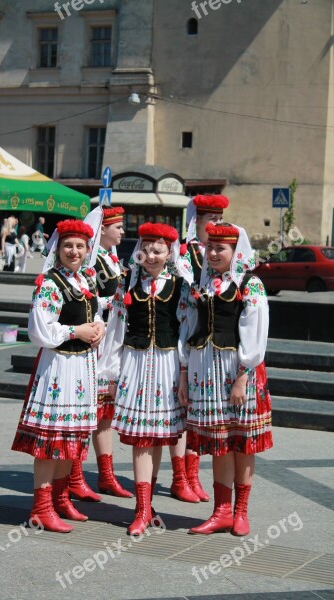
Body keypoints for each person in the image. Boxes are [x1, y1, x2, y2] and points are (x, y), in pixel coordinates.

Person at [178, 222, 273, 536]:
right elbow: (190, 329)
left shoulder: (250, 284)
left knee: (243, 443)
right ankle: (221, 512)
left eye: (221, 248)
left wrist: (242, 378)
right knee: (220, 443)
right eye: (211, 247)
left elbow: (255, 335)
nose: (214, 253)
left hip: (238, 372)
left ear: (236, 251)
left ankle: (240, 512)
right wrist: (184, 373)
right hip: (207, 370)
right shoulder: (201, 285)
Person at [11, 219, 105, 533]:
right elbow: (39, 330)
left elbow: (95, 313)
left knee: (72, 440)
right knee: (51, 441)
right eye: (68, 246)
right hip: (59, 368)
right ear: (58, 248)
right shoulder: (50, 283)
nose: (74, 251)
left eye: (80, 246)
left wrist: (99, 326)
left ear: (88, 249)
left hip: (82, 368)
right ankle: (40, 507)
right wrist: (75, 331)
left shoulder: (87, 279)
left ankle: (61, 499)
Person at [98, 222, 192, 535]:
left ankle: (148, 503)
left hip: (166, 366)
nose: (151, 255)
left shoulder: (181, 287)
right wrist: (111, 371)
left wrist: (183, 372)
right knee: (141, 439)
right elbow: (116, 329)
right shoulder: (127, 284)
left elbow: (185, 332)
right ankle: (141, 510)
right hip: (136, 365)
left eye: (158, 250)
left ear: (169, 253)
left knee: (157, 438)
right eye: (146, 249)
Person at [166, 195, 230, 505]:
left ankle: (193, 474)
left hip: (209, 342)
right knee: (182, 409)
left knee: (199, 411)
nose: (216, 224)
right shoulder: (185, 254)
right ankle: (180, 477)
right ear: (198, 221)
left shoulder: (219, 254)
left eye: (220, 219)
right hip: (183, 335)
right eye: (211, 219)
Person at [68, 206, 133, 501]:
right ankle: (75, 475)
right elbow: (90, 300)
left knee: (105, 410)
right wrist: (116, 300)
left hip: (111, 339)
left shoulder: (112, 261)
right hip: (95, 339)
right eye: (117, 227)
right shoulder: (93, 264)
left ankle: (106, 475)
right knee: (87, 409)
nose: (122, 232)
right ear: (102, 229)